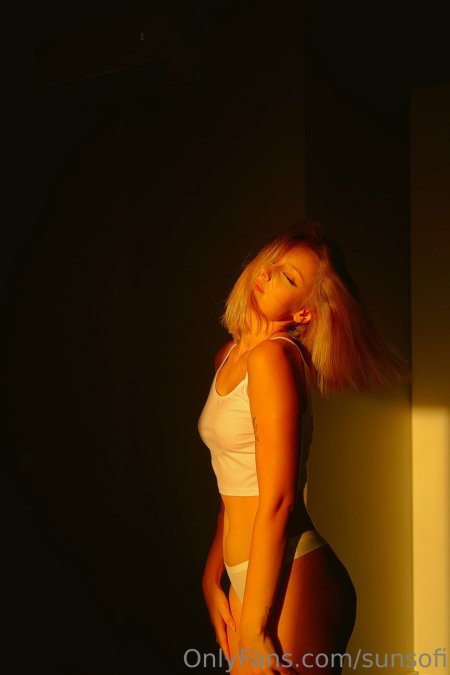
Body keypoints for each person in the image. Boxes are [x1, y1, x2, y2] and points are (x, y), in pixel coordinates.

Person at [198, 221, 409, 675]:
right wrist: (211, 576)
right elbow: (233, 482)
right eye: (271, 263)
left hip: (291, 576)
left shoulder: (273, 358)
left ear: (305, 313)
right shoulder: (229, 356)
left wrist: (255, 628)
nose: (267, 275)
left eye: (288, 278)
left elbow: (278, 500)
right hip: (248, 575)